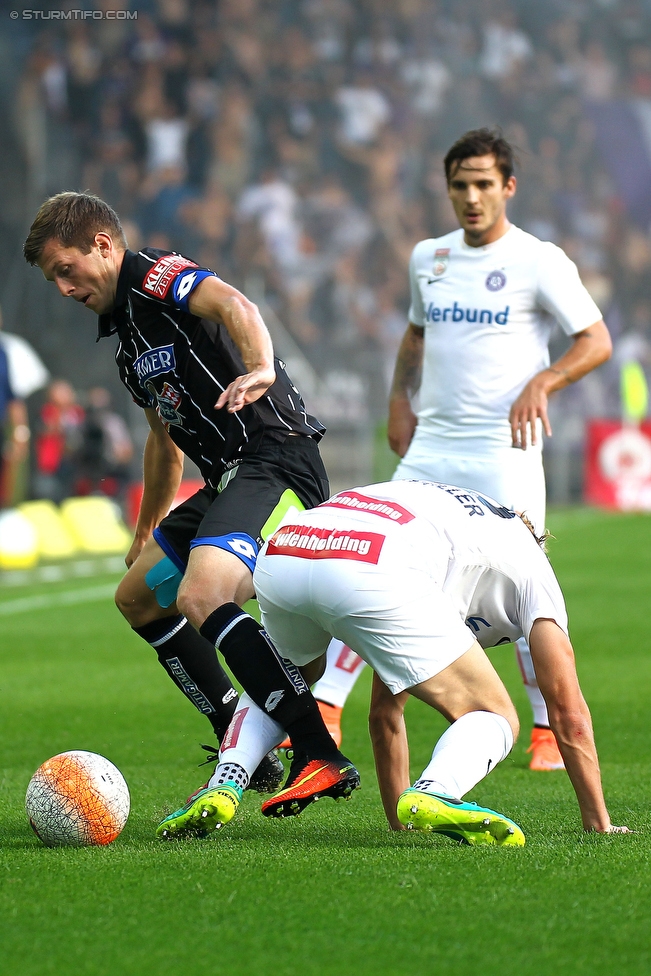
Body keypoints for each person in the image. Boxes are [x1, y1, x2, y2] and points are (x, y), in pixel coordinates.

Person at [24, 191, 359, 836]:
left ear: (103, 245)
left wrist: (260, 366)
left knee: (202, 594)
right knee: (139, 597)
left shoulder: (157, 277)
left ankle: (318, 750)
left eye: (66, 269)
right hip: (228, 481)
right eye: (52, 280)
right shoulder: (127, 340)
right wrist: (149, 523)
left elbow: (236, 304)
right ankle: (235, 717)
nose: (63, 287)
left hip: (276, 460)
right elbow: (162, 440)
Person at [311, 128, 613, 771]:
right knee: (375, 564)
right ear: (448, 190)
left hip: (505, 451)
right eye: (459, 185)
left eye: (483, 184)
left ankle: (542, 733)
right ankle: (327, 707)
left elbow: (595, 340)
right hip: (432, 446)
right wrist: (399, 401)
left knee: (531, 587)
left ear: (508, 187)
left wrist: (544, 379)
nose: (471, 197)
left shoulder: (540, 260)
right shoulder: (430, 258)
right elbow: (415, 337)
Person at [248, 479, 628, 842]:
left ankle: (227, 776)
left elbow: (384, 713)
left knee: (289, 675)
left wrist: (399, 826)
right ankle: (437, 790)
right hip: (373, 561)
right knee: (498, 717)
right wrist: (598, 822)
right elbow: (568, 711)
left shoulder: (455, 551)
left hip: (299, 547)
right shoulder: (535, 574)